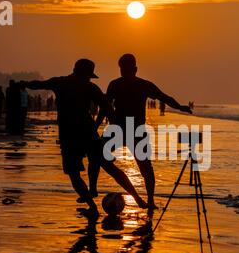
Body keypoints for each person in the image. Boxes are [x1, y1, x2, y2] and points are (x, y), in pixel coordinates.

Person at [23, 58, 147, 215]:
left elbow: (38, 84)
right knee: (107, 166)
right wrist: (116, 127)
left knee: (74, 174)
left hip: (69, 136)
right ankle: (135, 198)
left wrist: (23, 84)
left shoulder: (60, 82)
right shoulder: (90, 87)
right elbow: (108, 108)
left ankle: (92, 205)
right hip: (88, 133)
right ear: (86, 73)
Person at [98, 54, 192, 210]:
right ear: (120, 70)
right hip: (117, 129)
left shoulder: (143, 85)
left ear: (135, 69)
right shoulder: (115, 85)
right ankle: (128, 195)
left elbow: (164, 98)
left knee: (145, 168)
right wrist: (95, 127)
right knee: (98, 156)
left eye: (127, 69)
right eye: (122, 70)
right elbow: (106, 106)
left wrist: (180, 107)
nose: (125, 73)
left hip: (136, 131)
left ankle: (150, 200)